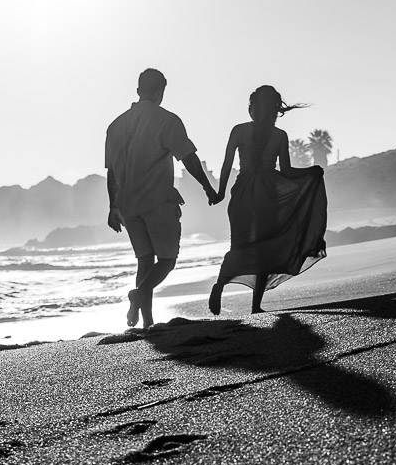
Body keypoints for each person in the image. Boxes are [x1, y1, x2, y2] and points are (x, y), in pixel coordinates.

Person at [106, 68, 221, 331]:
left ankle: (147, 321)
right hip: (158, 201)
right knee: (167, 261)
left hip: (127, 205)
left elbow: (112, 172)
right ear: (161, 91)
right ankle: (139, 294)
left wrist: (113, 207)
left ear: (138, 91)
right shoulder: (166, 120)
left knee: (145, 261)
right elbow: (188, 157)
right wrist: (207, 186)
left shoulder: (115, 126)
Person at [208, 86, 328, 315]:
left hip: (242, 193)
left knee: (239, 244)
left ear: (252, 108)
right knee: (265, 248)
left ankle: (219, 285)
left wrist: (220, 192)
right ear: (274, 110)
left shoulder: (239, 130)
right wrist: (310, 172)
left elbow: (226, 165)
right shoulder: (279, 135)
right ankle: (255, 306)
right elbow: (287, 171)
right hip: (269, 195)